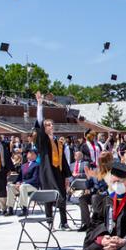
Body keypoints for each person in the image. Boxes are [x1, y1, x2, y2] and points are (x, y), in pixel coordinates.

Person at [34, 91, 72, 229]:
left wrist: (67, 175)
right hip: (47, 173)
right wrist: (39, 105)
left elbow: (63, 160)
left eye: (51, 125)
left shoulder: (58, 141)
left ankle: (63, 222)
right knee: (48, 199)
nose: (50, 126)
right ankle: (49, 222)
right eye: (47, 125)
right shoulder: (43, 140)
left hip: (59, 173)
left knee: (62, 197)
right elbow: (38, 123)